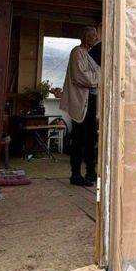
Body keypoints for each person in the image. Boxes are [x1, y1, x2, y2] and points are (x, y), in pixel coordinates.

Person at [60, 26, 100, 187]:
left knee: (91, 137)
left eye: (96, 35)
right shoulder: (77, 52)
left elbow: (98, 74)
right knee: (79, 137)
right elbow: (81, 77)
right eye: (92, 35)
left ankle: (91, 171)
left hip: (91, 99)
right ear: (84, 37)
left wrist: (97, 77)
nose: (96, 38)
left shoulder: (89, 55)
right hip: (80, 101)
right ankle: (75, 174)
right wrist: (97, 78)